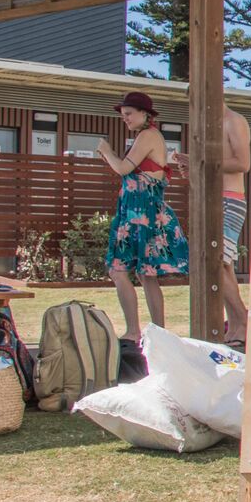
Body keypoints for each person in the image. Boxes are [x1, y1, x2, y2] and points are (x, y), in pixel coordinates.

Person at [96, 92, 188, 343]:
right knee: (145, 274)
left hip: (140, 213)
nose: (124, 119)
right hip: (138, 211)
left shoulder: (148, 136)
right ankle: (158, 333)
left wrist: (106, 151)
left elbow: (123, 168)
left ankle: (135, 330)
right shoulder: (148, 136)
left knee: (119, 270)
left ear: (145, 114)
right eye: (122, 115)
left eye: (128, 114)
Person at [169, 104, 251, 344]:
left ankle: (244, 320)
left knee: (215, 262)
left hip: (229, 199)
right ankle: (237, 324)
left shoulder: (233, 121)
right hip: (214, 198)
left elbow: (242, 163)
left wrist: (201, 161)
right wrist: (193, 167)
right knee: (222, 265)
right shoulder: (210, 128)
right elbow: (211, 165)